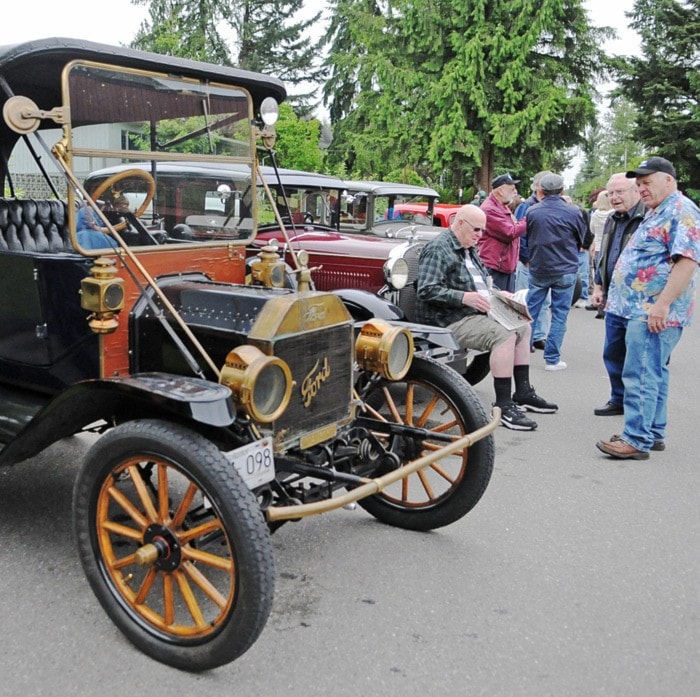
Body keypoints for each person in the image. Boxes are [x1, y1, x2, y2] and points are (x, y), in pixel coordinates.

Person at [415, 204, 557, 431]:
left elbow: (483, 283)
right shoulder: (438, 249)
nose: (481, 236)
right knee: (504, 335)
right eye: (477, 230)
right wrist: (464, 298)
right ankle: (502, 406)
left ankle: (523, 392)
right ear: (460, 224)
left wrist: (500, 295)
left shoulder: (468, 247)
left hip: (473, 312)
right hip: (448, 318)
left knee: (523, 326)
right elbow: (427, 289)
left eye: (483, 231)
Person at [596, 157, 700, 460]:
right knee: (653, 371)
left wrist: (662, 305)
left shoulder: (681, 211)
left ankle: (636, 439)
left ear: (669, 180)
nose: (641, 189)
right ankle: (652, 432)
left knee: (640, 372)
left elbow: (687, 262)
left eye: (647, 182)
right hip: (639, 308)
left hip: (653, 311)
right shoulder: (659, 210)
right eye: (638, 184)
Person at [588, 173, 645, 415]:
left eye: (620, 192)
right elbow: (604, 254)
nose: (614, 197)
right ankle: (618, 398)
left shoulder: (646, 218)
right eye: (611, 193)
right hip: (613, 298)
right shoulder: (612, 219)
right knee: (612, 351)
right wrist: (599, 285)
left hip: (638, 301)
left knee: (636, 358)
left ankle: (636, 408)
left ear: (636, 191)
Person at [525, 173, 587, 370]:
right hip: (565, 267)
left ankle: (522, 354)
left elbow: (529, 237)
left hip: (539, 267)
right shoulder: (573, 211)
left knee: (530, 311)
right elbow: (581, 237)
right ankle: (552, 359)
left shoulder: (533, 211)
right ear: (562, 190)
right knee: (560, 314)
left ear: (540, 190)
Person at [514, 171, 552, 350]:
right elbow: (520, 235)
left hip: (546, 263)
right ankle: (523, 336)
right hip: (530, 262)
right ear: (538, 186)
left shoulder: (551, 206)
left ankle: (538, 336)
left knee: (545, 302)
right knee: (525, 299)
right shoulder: (526, 206)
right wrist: (526, 258)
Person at [478, 173, 527, 293]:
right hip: (495, 268)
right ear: (500, 191)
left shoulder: (501, 206)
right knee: (495, 306)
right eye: (512, 189)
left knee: (504, 306)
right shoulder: (490, 209)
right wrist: (529, 219)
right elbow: (510, 232)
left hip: (504, 267)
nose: (515, 192)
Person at [586, 189, 613, 311]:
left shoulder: (595, 214)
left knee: (598, 275)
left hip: (597, 247)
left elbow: (592, 230)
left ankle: (598, 301)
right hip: (610, 247)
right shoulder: (613, 214)